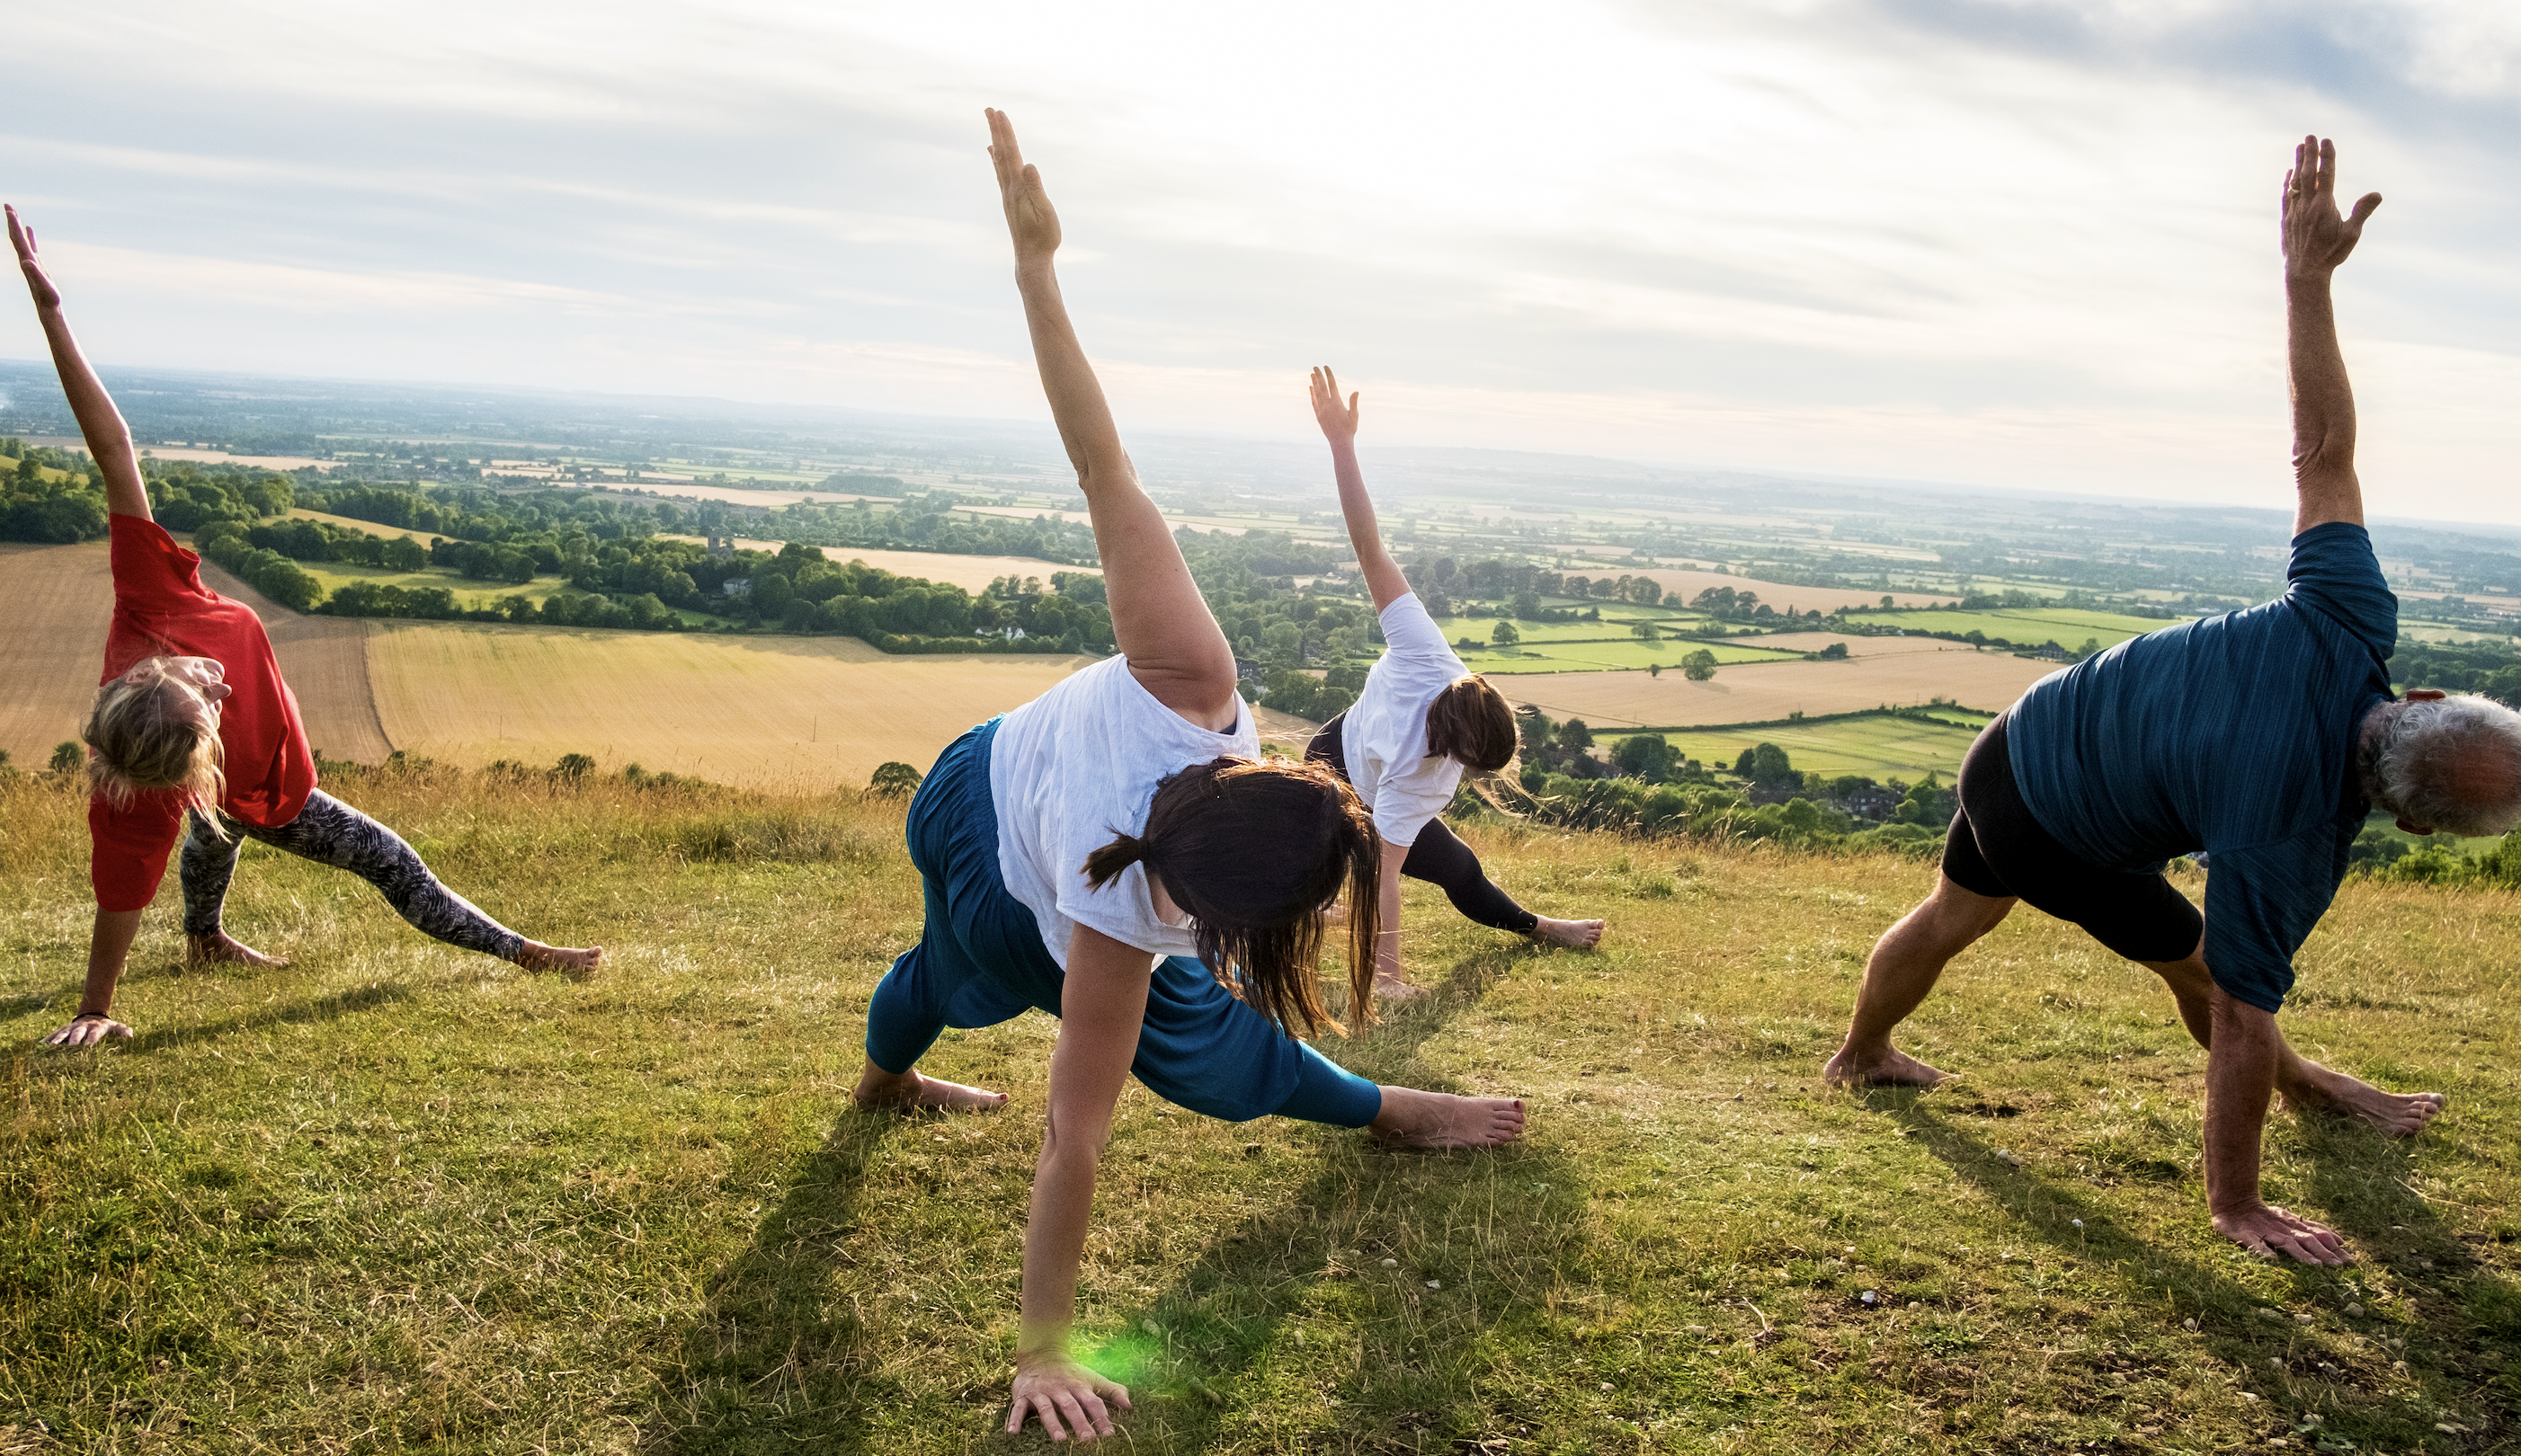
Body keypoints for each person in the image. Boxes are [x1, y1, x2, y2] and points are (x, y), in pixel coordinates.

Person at [852, 112, 1527, 1445]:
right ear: (1215, 921)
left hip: (967, 780)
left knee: (946, 968)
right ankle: (1389, 1111)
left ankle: (883, 1083)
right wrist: (1043, 1352)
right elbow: (1073, 1142)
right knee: (1209, 1048)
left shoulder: (1188, 676)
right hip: (1005, 838)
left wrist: (1036, 269)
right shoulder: (1121, 936)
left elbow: (1101, 463)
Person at [1821, 138, 2517, 1266]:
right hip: (2052, 822)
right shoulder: (2294, 837)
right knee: (2200, 968)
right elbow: (2237, 1017)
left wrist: (2304, 280)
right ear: (2417, 824)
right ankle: (2304, 1095)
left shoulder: (2345, 621)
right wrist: (2235, 1206)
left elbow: (2321, 453)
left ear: (2425, 696)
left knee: (1954, 914)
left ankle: (1858, 1055)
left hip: (2016, 735)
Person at [8, 205, 601, 1051]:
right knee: (384, 859)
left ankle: (205, 939)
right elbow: (119, 898)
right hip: (263, 791)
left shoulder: (148, 602)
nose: (221, 690)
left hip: (235, 782)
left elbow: (115, 452)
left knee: (215, 834)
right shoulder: (147, 796)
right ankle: (526, 952)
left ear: (146, 674)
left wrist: (51, 313)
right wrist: (95, 1007)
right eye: (212, 718)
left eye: (199, 689)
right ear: (191, 763)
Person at [1302, 367, 1604, 997]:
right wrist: (1388, 979)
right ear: (1461, 755)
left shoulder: (1428, 652)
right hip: (1333, 779)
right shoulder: (1424, 774)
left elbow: (1369, 548)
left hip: (1330, 743)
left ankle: (1541, 927)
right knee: (1436, 868)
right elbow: (1385, 875)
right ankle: (1312, 908)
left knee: (1458, 867)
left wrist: (1341, 444)